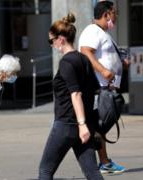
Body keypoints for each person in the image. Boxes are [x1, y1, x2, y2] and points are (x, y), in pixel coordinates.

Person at [38, 13, 103, 180]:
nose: (52, 45)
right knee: (92, 173)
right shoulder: (84, 59)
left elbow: (76, 94)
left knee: (45, 170)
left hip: (67, 124)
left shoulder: (66, 62)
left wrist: (81, 124)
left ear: (60, 39)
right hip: (85, 125)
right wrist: (88, 125)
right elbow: (94, 90)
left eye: (51, 41)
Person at [78, 0, 127, 174]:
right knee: (99, 125)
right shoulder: (92, 31)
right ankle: (102, 162)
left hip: (107, 88)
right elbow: (85, 51)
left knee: (100, 126)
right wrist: (104, 70)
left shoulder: (102, 33)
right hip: (99, 88)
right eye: (115, 13)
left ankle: (104, 162)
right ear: (106, 14)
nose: (116, 17)